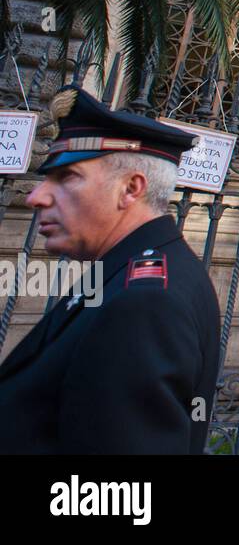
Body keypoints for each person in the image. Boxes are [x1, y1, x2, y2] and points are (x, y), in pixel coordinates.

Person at [0, 86, 220, 453]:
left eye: (68, 177)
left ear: (130, 189)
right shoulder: (128, 270)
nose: (36, 196)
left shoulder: (144, 302)